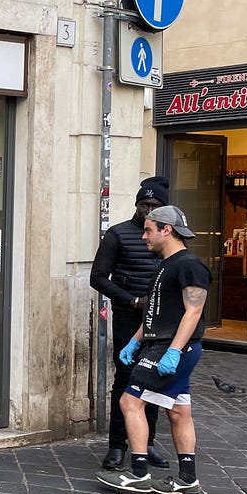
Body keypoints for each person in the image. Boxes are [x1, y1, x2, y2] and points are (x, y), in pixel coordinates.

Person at [96, 205, 210, 494]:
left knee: (130, 402)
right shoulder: (164, 265)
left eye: (148, 230)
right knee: (179, 411)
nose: (144, 236)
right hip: (163, 344)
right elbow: (155, 314)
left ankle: (138, 473)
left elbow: (193, 311)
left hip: (172, 348)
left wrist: (173, 351)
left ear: (166, 230)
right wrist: (135, 341)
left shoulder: (188, 265)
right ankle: (187, 480)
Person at [89, 176, 171, 471]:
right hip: (128, 315)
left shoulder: (169, 236)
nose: (147, 210)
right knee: (125, 378)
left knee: (154, 379)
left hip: (160, 319)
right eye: (143, 204)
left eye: (154, 205)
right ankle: (117, 446)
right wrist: (132, 301)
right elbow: (97, 277)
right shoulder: (118, 234)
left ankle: (146, 444)